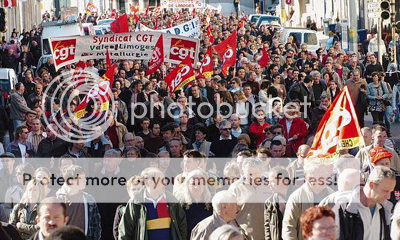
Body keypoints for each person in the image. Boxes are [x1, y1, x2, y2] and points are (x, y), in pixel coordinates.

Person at [118, 167, 187, 240]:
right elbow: (125, 233)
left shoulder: (172, 201)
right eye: (161, 180)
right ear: (150, 182)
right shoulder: (135, 203)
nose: (165, 183)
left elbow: (182, 227)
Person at [337, 166, 395, 239]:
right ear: (371, 185)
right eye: (385, 191)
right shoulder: (344, 208)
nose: (388, 197)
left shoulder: (384, 209)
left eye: (390, 192)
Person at [282, 161, 335, 240]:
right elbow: (289, 227)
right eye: (321, 176)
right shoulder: (296, 197)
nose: (325, 179)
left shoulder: (332, 194)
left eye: (326, 175)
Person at [229, 158, 272, 240]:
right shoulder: (235, 188)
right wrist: (238, 231)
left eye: (256, 173)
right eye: (249, 174)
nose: (253, 177)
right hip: (245, 236)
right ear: (243, 172)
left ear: (261, 170)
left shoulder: (269, 184)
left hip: (269, 234)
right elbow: (229, 215)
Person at [56, 165, 101, 240]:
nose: (85, 180)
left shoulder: (89, 199)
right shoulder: (56, 200)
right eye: (81, 178)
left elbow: (96, 225)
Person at [174, 169, 213, 239]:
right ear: (187, 185)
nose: (196, 187)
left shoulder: (211, 204)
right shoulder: (181, 204)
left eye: (199, 183)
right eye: (193, 184)